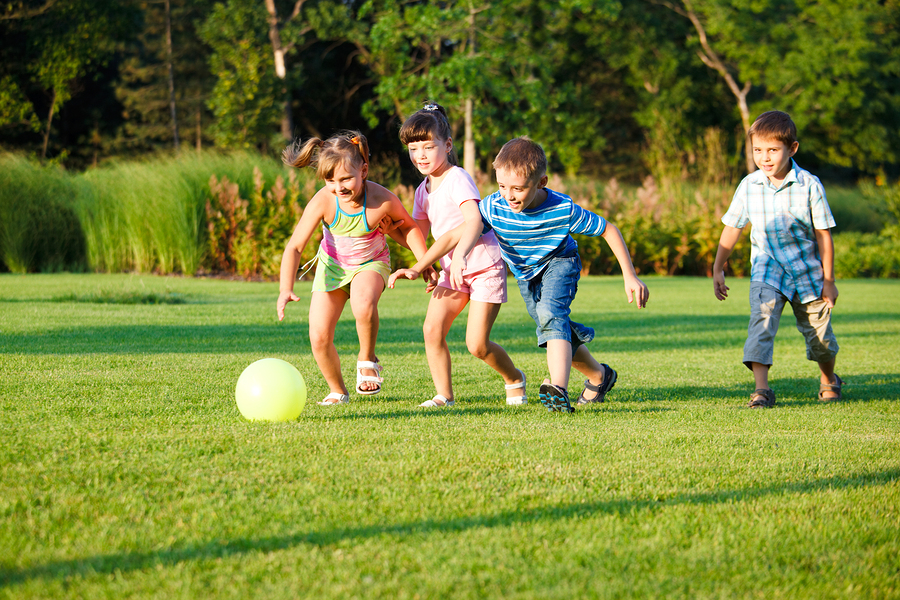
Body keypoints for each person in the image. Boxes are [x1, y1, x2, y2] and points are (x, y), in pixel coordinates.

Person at [390, 137, 649, 413]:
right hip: (526, 275)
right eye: (502, 186)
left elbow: (608, 229)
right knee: (554, 327)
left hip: (560, 262)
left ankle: (558, 390)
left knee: (551, 314)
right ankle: (599, 376)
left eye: (518, 188)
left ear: (541, 182)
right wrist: (420, 266)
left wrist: (630, 275)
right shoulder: (495, 206)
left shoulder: (562, 209)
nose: (509, 195)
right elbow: (456, 234)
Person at [277, 131, 432, 406]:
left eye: (346, 178)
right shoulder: (325, 200)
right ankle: (337, 390)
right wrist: (285, 288)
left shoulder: (381, 199)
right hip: (332, 268)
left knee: (363, 303)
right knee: (319, 336)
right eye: (330, 180)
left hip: (371, 264)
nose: (339, 187)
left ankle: (367, 357)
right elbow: (294, 247)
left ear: (363, 169)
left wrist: (424, 263)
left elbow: (409, 228)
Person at [397, 102, 525, 408]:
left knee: (477, 345)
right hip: (452, 270)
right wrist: (421, 266)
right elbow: (418, 234)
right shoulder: (421, 190)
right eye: (414, 149)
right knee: (432, 329)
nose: (422, 155)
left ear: (448, 145)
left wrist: (462, 256)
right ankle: (444, 395)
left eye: (429, 146)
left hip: (482, 265)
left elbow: (474, 220)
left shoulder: (457, 178)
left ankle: (514, 378)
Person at [712, 110, 842, 408]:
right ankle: (762, 390)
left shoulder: (809, 185)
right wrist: (719, 267)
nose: (765, 158)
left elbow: (824, 236)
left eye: (773, 150)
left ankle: (829, 378)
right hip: (767, 270)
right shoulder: (749, 185)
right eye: (758, 150)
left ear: (792, 148)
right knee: (762, 323)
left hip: (807, 274)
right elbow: (733, 228)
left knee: (820, 339)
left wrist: (829, 280)